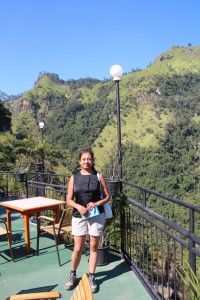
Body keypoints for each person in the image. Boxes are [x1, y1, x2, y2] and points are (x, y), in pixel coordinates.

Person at [64, 148, 110, 293]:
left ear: (93, 160)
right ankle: (72, 273)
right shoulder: (74, 177)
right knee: (77, 248)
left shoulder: (98, 175)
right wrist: (78, 206)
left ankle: (92, 276)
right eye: (83, 159)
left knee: (94, 247)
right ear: (79, 161)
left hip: (96, 215)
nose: (86, 161)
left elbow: (107, 196)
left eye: (89, 159)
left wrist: (96, 203)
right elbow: (69, 200)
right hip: (79, 215)